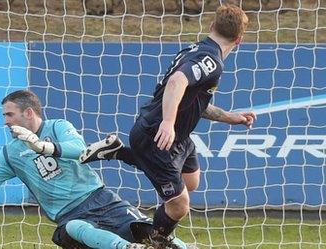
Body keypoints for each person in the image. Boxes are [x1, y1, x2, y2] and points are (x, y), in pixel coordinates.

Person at [0, 90, 189, 249]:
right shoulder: (10, 153)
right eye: (4, 116)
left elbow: (78, 148)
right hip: (71, 217)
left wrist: (43, 146)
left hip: (103, 200)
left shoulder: (57, 127)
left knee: (155, 234)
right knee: (74, 228)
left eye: (10, 115)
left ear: (28, 113)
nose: (6, 122)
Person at [80, 4, 254, 248]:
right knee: (179, 204)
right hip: (155, 136)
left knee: (190, 182)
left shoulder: (196, 51)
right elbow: (176, 82)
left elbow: (191, 102)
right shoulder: (210, 60)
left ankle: (118, 151)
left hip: (178, 139)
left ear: (212, 26)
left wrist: (229, 117)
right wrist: (168, 123)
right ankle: (157, 239)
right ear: (239, 40)